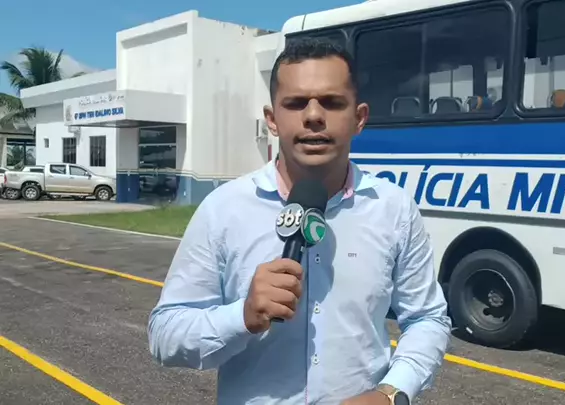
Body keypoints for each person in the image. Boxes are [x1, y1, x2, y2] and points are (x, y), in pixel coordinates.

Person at [147, 36, 451, 405]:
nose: (313, 116)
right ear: (272, 119)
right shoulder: (223, 209)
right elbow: (165, 335)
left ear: (359, 118)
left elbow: (427, 319)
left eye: (332, 102)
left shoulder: (394, 209)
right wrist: (241, 316)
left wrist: (391, 393)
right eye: (295, 103)